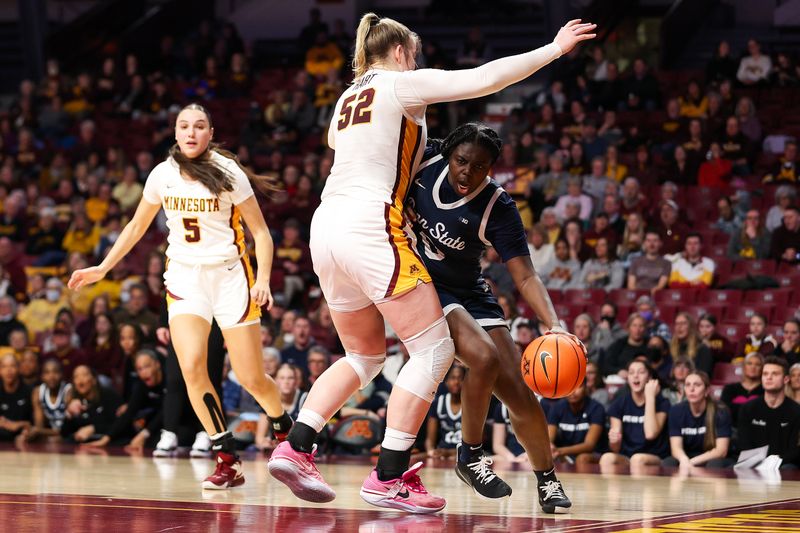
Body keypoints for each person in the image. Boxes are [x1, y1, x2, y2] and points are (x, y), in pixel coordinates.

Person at [268, 13, 595, 514]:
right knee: (434, 351)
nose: (416, 62)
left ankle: (297, 444)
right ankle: (389, 474)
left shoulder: (345, 98)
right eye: (414, 54)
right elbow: (485, 78)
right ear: (400, 51)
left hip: (325, 225)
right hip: (369, 225)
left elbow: (340, 143)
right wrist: (553, 49)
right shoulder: (400, 83)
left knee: (365, 357)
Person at [68, 103, 293, 489]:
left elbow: (262, 234)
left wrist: (264, 279)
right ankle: (227, 459)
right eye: (184, 126)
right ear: (175, 132)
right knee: (191, 368)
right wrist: (103, 267)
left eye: (199, 126)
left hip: (229, 278)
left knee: (251, 377)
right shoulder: (162, 175)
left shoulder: (228, 173)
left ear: (210, 133)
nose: (191, 132)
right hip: (185, 279)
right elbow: (137, 225)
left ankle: (286, 430)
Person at [403, 124, 579, 510]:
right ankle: (470, 454)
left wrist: (553, 323)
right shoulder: (424, 159)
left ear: (491, 169)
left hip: (470, 291)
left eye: (479, 166)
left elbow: (526, 274)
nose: (467, 172)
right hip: (426, 286)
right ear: (449, 153)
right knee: (483, 357)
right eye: (462, 161)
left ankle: (547, 481)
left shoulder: (498, 207)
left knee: (520, 391)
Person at [600, 359, 671, 468]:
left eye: (641, 372)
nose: (635, 376)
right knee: (607, 458)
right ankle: (613, 486)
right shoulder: (619, 403)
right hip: (627, 457)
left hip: (655, 457)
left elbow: (650, 434)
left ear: (649, 377)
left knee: (637, 459)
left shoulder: (662, 402)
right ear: (627, 378)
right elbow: (615, 448)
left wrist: (650, 397)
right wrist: (614, 441)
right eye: (631, 372)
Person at [738, 357, 800, 468]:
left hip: (783, 464)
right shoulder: (748, 408)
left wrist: (774, 462)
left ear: (786, 379)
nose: (769, 377)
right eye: (765, 374)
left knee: (789, 468)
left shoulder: (796, 411)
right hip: (752, 464)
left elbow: (795, 450)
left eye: (775, 374)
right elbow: (744, 445)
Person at [664, 371, 733, 468]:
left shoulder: (720, 411)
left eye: (697, 385)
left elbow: (721, 451)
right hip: (687, 456)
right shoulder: (676, 411)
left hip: (711, 458)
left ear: (706, 391)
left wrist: (692, 462)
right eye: (688, 385)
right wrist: (684, 460)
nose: (691, 389)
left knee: (714, 464)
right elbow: (676, 448)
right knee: (668, 463)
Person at [546, 380, 605, 465]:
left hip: (593, 453)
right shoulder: (557, 407)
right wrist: (550, 447)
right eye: (569, 387)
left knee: (582, 458)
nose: (573, 391)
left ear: (585, 387)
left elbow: (589, 445)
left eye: (578, 386)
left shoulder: (596, 408)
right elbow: (549, 438)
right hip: (564, 453)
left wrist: (559, 451)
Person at [21, 358, 71, 442]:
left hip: (67, 434)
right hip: (47, 433)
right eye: (47, 372)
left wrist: (37, 430)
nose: (51, 376)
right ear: (42, 376)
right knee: (21, 438)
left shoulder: (68, 391)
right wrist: (31, 432)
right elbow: (39, 426)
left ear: (62, 374)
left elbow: (67, 430)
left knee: (54, 440)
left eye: (55, 372)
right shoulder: (38, 392)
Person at [424, 365, 463, 459]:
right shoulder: (438, 403)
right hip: (442, 453)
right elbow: (430, 439)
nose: (456, 382)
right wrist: (431, 451)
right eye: (453, 378)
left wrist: (450, 453)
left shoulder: (472, 404)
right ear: (446, 382)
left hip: (464, 455)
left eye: (460, 378)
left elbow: (478, 442)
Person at [720, 352, 764, 427]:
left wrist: (736, 408)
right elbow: (724, 411)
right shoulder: (730, 388)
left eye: (757, 364)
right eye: (749, 363)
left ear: (762, 368)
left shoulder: (765, 390)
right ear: (744, 367)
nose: (753, 367)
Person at [0, 354, 32, 440]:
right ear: (0, 370)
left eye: (12, 366)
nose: (8, 370)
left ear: (19, 369)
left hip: (23, 438)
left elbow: (35, 426)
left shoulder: (29, 391)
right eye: (4, 367)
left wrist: (20, 425)